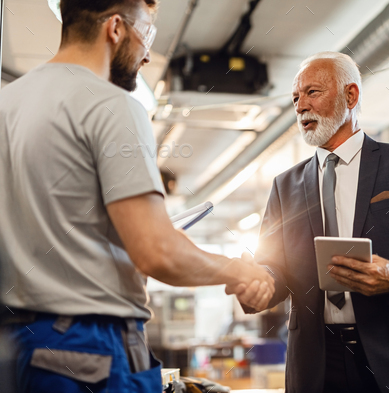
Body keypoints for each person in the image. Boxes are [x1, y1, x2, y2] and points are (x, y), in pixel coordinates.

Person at [0, 1, 273, 391]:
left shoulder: (8, 103)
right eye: (147, 33)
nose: (147, 54)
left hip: (17, 347)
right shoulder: (111, 106)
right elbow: (156, 252)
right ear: (115, 28)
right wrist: (240, 270)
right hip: (90, 347)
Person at [229, 51, 389, 393]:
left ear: (351, 95)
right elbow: (277, 269)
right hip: (318, 364)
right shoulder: (284, 186)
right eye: (296, 98)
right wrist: (259, 285)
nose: (300, 106)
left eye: (312, 92)